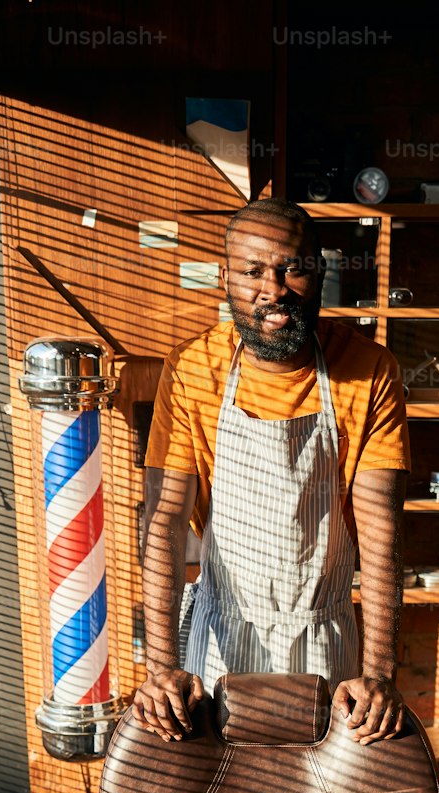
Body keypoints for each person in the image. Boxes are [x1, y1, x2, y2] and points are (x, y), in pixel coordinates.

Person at [133, 197, 410, 744]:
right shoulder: (193, 370)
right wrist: (161, 669)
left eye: (294, 269)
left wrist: (378, 674)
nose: (274, 289)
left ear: (320, 272)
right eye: (253, 271)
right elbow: (163, 523)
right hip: (219, 636)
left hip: (326, 637)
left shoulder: (370, 371)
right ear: (225, 278)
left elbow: (381, 531)